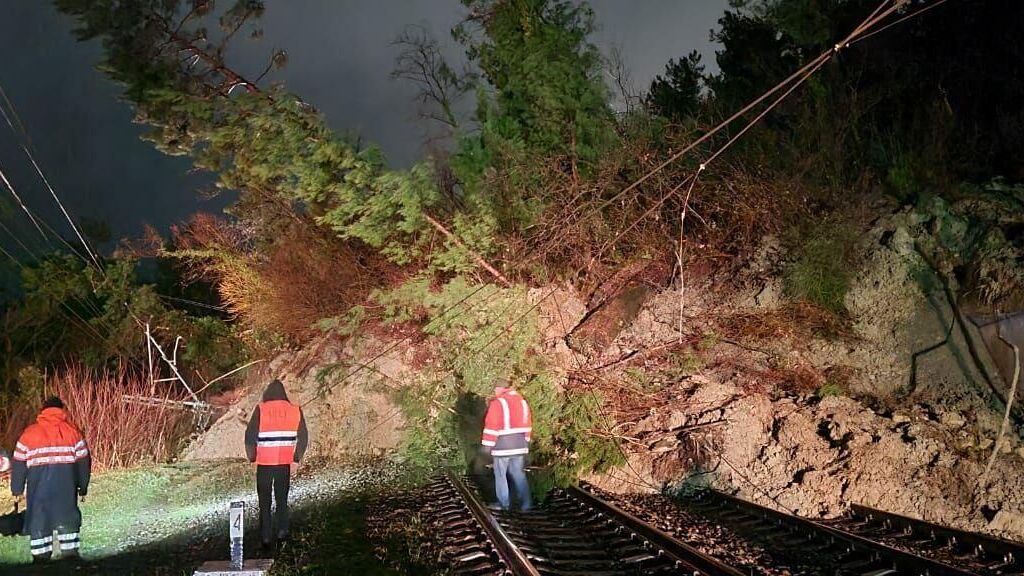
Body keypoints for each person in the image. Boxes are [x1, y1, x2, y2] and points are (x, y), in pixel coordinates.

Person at [11, 397, 90, 563]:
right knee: (67, 518)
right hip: (66, 489)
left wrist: (17, 489)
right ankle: (70, 555)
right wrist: (83, 487)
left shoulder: (29, 434)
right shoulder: (72, 432)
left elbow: (18, 462)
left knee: (39, 519)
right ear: (62, 410)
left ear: (43, 411)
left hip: (38, 490)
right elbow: (84, 462)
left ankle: (41, 558)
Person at [244, 379, 308, 550]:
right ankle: (283, 531)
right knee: (282, 499)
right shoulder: (295, 410)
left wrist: (252, 458)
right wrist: (296, 459)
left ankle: (265, 536)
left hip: (264, 464)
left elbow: (250, 436)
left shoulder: (261, 409)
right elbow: (304, 437)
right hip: (284, 464)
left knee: (264, 501)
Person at [481, 383, 533, 511]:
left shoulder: (498, 403)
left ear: (500, 388)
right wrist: (526, 440)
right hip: (520, 445)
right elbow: (528, 422)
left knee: (500, 474)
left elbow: (491, 425)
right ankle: (526, 503)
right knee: (518, 473)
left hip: (502, 446)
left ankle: (503, 504)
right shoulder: (522, 401)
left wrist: (487, 446)